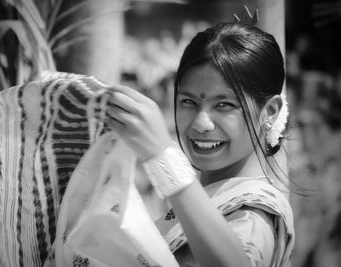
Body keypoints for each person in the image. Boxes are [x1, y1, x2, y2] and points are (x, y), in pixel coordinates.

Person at [105, 18, 295, 267]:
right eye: (189, 102)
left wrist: (163, 158)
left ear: (269, 111)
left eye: (224, 105)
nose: (200, 123)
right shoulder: (201, 196)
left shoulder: (253, 213)